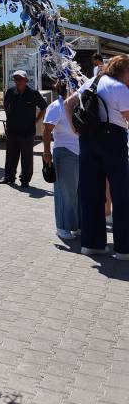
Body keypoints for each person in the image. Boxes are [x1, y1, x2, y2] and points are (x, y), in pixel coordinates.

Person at [65, 54, 129, 258]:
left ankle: (92, 244)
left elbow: (68, 103)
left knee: (91, 192)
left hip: (87, 140)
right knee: (121, 195)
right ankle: (123, 249)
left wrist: (75, 130)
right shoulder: (120, 89)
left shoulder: (93, 81)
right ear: (124, 71)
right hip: (113, 140)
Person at [42, 81, 80, 241]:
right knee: (65, 193)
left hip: (79, 153)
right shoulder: (56, 106)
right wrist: (46, 152)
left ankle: (75, 225)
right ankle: (62, 227)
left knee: (76, 193)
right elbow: (46, 130)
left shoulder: (75, 105)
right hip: (64, 152)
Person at [0, 69, 47, 188]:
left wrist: (36, 120)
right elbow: (6, 106)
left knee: (27, 157)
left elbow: (44, 107)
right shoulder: (10, 92)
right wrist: (10, 118)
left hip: (27, 131)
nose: (17, 81)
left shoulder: (33, 93)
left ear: (26, 80)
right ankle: (9, 177)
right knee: (11, 156)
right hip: (12, 130)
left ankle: (25, 180)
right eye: (15, 79)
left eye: (20, 79)